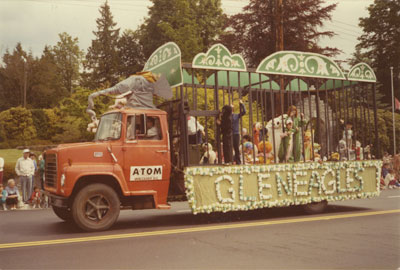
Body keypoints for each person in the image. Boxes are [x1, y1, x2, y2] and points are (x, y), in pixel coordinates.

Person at [232, 100, 246, 164]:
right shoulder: (227, 116)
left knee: (236, 148)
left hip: (236, 133)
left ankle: (238, 161)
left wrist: (242, 104)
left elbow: (244, 112)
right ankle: (231, 160)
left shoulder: (236, 115)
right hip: (230, 134)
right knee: (230, 148)